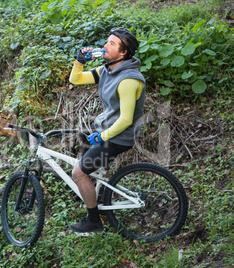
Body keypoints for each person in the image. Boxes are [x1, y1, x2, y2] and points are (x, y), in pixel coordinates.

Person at [68, 27, 146, 233]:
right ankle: (100, 196)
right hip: (107, 133)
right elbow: (75, 80)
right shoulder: (106, 71)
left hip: (118, 138)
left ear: (123, 53)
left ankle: (93, 221)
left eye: (112, 43)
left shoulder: (129, 79)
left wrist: (100, 137)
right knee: (86, 166)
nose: (105, 46)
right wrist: (79, 62)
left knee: (78, 173)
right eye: (107, 41)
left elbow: (126, 119)